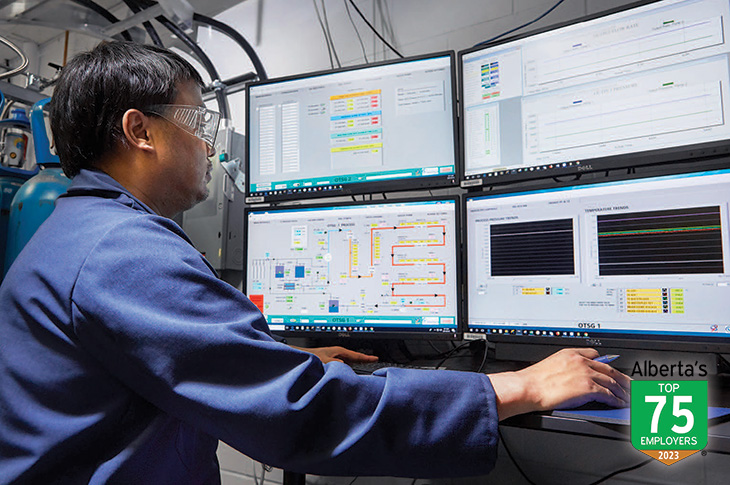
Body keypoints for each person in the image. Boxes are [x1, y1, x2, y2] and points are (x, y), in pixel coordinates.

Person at [0, 41, 630, 484]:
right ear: (141, 131)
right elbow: (298, 413)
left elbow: (160, 373)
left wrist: (278, 365)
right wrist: (513, 386)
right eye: (199, 121)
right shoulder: (123, 252)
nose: (211, 143)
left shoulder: (79, 232)